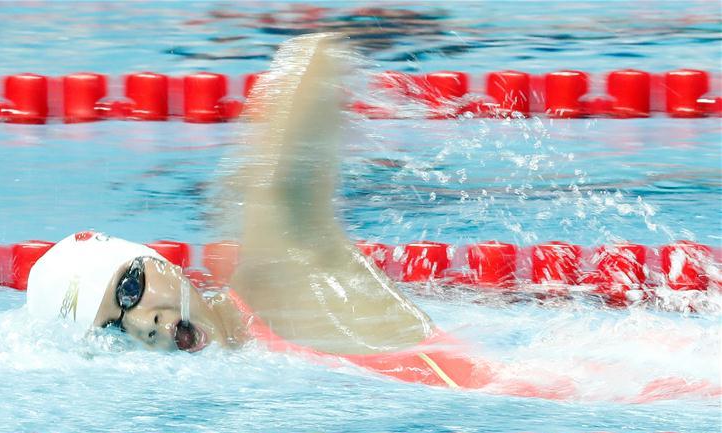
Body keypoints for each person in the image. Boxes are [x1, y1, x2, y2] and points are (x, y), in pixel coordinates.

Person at [27, 33, 495, 391]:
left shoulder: (277, 282)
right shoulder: (247, 376)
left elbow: (316, 58)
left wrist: (243, 184)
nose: (141, 322)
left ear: (160, 262)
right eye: (112, 327)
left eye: (130, 288)